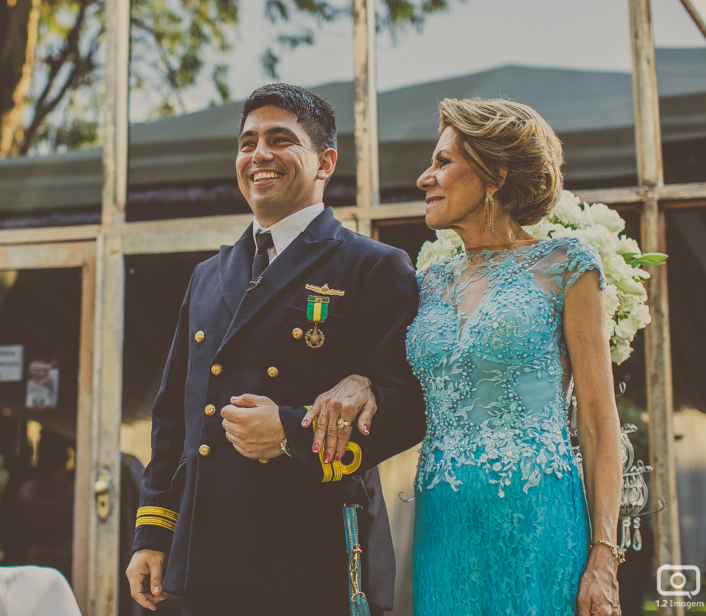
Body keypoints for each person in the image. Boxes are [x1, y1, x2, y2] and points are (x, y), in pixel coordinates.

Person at [126, 83, 426, 615]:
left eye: (280, 139)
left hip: (309, 558)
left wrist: (289, 432)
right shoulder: (206, 276)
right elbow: (173, 413)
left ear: (325, 162)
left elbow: (408, 407)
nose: (258, 155)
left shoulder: (373, 266)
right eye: (247, 142)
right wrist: (153, 530)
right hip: (206, 560)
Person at [405, 98, 623, 614]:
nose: (424, 178)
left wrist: (604, 557)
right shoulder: (428, 282)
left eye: (443, 162)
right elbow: (385, 377)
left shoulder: (566, 265)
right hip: (443, 523)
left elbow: (596, 419)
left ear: (494, 175)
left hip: (538, 518)